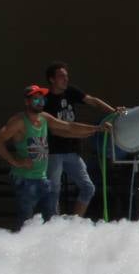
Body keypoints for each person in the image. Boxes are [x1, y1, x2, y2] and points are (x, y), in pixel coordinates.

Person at [0, 85, 109, 230]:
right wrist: (15, 161)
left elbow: (68, 127)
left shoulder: (44, 118)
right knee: (26, 225)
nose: (40, 102)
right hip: (25, 180)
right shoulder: (19, 121)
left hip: (42, 179)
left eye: (42, 98)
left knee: (51, 222)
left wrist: (97, 128)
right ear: (27, 102)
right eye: (35, 99)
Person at [43, 62, 120, 217]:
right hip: (54, 152)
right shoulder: (46, 100)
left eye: (66, 76)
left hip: (72, 151)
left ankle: (74, 223)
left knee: (88, 187)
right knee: (53, 191)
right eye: (61, 76)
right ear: (51, 79)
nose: (65, 79)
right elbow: (58, 131)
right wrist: (91, 131)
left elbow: (93, 101)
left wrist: (114, 111)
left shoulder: (71, 91)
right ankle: (52, 226)